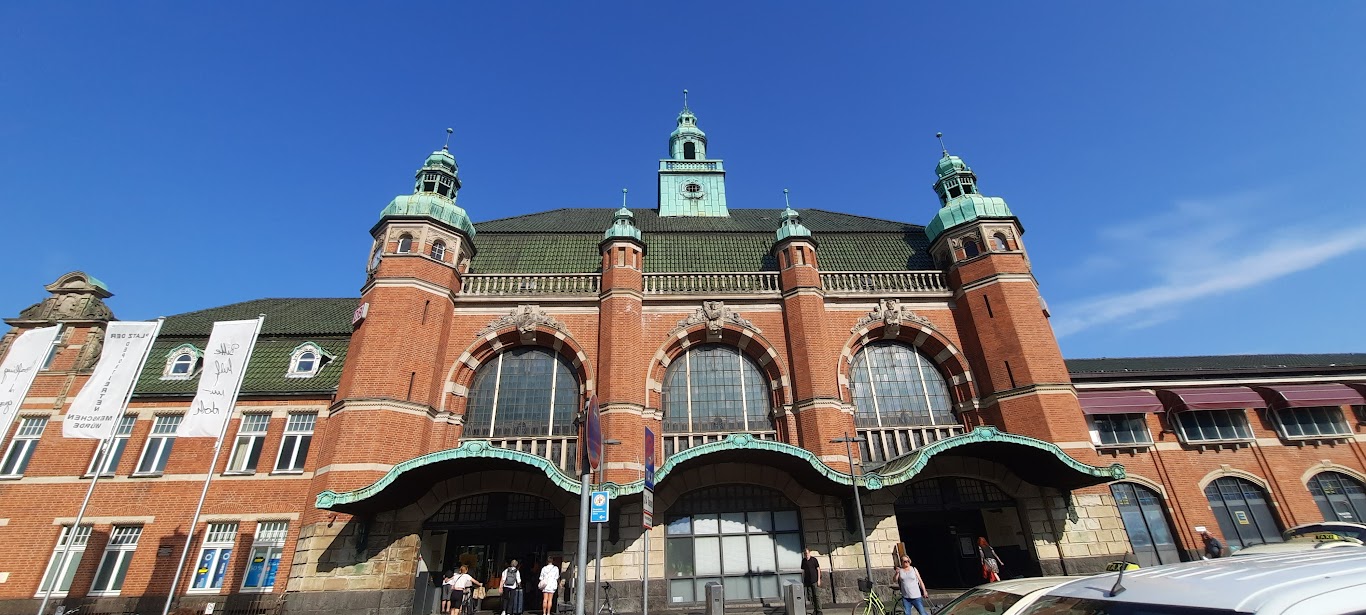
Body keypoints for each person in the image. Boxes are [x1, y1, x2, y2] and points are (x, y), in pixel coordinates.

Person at [800, 548, 823, 615]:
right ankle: (815, 609)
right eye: (805, 554)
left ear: (809, 553)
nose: (806, 555)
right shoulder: (804, 561)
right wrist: (803, 580)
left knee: (817, 596)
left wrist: (818, 580)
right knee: (811, 596)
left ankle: (819, 610)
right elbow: (803, 571)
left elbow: (818, 569)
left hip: (814, 580)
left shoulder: (814, 560)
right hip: (808, 581)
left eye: (807, 553)